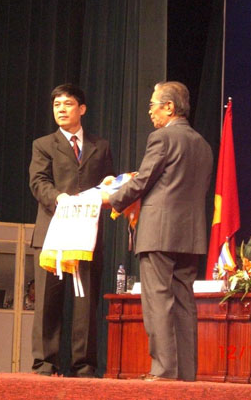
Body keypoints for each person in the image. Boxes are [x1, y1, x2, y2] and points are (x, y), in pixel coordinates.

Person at [102, 81, 213, 382]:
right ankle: (185, 374)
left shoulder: (162, 137)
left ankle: (163, 371)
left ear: (169, 107)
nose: (150, 111)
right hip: (190, 234)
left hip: (159, 233)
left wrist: (111, 198)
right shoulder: (203, 144)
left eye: (152, 105)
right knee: (184, 303)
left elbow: (143, 182)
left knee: (158, 302)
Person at [29, 83, 114, 377]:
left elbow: (108, 184)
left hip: (86, 235)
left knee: (85, 304)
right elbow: (38, 181)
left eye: (67, 104)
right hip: (52, 233)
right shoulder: (43, 144)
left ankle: (84, 366)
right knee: (47, 303)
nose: (61, 110)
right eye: (57, 105)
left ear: (82, 109)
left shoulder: (100, 146)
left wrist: (112, 188)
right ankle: (45, 364)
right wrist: (59, 198)